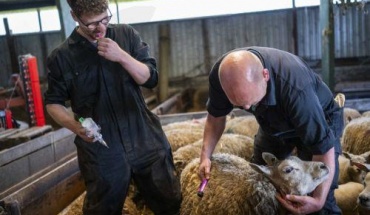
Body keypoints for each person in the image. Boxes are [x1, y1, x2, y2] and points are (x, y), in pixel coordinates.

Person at [44, 0, 181, 214]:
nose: (100, 28)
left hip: (144, 137)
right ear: (74, 16)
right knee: (103, 209)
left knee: (169, 200)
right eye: (91, 24)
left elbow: (150, 78)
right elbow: (53, 103)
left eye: (104, 19)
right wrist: (75, 126)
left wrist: (121, 56)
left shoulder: (126, 35)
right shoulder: (61, 57)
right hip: (102, 150)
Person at [198, 46, 344, 215]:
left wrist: (318, 202)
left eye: (250, 100)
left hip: (319, 118)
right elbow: (215, 117)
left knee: (315, 192)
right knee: (259, 179)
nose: (246, 107)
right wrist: (205, 157)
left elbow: (322, 148)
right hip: (271, 120)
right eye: (238, 104)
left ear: (265, 75)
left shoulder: (296, 89)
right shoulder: (223, 76)